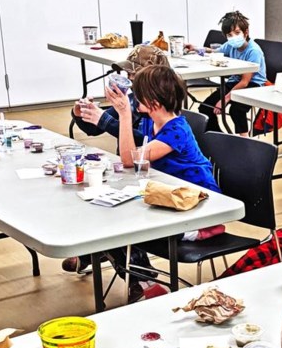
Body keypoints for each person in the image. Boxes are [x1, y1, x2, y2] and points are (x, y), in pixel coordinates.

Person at [67, 64, 223, 303]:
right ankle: (136, 277)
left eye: (137, 94)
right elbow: (131, 155)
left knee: (120, 225)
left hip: (198, 208)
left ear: (154, 101)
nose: (133, 98)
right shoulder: (152, 122)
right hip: (170, 198)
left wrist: (124, 115)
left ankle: (143, 282)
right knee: (104, 216)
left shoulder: (177, 130)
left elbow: (129, 159)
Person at [69, 44, 169, 143]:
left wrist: (105, 120)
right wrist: (80, 114)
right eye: (128, 74)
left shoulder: (166, 107)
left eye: (134, 74)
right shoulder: (132, 99)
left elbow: (146, 141)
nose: (129, 78)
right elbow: (93, 129)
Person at [197, 11, 267, 136]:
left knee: (236, 109)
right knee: (205, 107)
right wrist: (197, 49)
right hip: (235, 82)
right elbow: (215, 51)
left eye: (237, 32)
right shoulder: (230, 46)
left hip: (252, 85)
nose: (233, 37)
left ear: (246, 32)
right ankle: (218, 136)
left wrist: (224, 100)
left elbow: (245, 82)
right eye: (229, 35)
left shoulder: (254, 51)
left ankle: (244, 141)